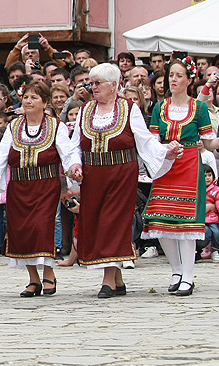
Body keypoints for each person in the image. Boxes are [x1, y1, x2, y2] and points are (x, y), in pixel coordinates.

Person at [69, 63, 179, 298]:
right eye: (92, 82)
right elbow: (75, 144)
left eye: (98, 83)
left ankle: (107, 280)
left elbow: (144, 140)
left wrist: (164, 152)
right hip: (93, 176)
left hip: (121, 174)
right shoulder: (85, 110)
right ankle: (117, 280)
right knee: (97, 223)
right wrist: (75, 165)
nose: (93, 87)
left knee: (112, 223)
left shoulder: (129, 108)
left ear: (114, 85)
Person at [0, 80, 81, 297]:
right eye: (26, 97)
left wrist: (74, 170)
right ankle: (33, 279)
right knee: (22, 232)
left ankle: (49, 273)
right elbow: (1, 157)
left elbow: (67, 153)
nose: (29, 101)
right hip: (19, 187)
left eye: (34, 97)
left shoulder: (55, 126)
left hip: (45, 186)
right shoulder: (13, 126)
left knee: (42, 228)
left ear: (45, 102)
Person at [141, 57, 219, 296]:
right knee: (158, 218)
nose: (173, 79)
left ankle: (188, 275)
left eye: (178, 75)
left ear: (188, 79)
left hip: (188, 164)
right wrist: (165, 151)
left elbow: (209, 143)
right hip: (166, 166)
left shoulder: (199, 108)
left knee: (186, 221)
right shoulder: (159, 108)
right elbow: (153, 142)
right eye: (170, 75)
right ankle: (176, 270)